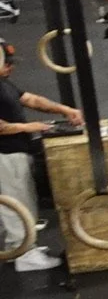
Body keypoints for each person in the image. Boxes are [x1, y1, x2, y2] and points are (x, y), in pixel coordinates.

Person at [0, 39, 80, 274]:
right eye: (7, 62)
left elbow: (30, 99)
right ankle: (23, 254)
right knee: (17, 203)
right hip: (4, 154)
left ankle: (19, 247)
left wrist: (65, 110)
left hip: (16, 150)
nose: (11, 66)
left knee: (23, 199)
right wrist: (29, 127)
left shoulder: (4, 83)